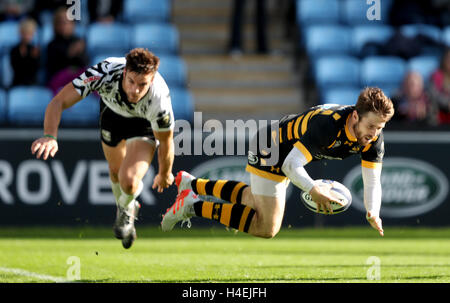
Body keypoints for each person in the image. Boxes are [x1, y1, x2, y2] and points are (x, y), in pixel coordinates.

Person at [162, 87, 394, 238]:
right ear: (355, 116)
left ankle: (192, 186)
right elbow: (290, 165)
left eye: (379, 128)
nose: (373, 134)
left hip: (287, 150)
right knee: (267, 227)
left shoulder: (373, 139)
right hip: (272, 146)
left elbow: (372, 180)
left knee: (252, 200)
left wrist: (373, 211)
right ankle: (191, 206)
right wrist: (313, 189)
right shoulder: (328, 126)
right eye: (371, 126)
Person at [31, 48, 175, 249]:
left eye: (142, 85)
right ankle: (127, 206)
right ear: (124, 73)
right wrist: (50, 136)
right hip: (112, 116)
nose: (135, 90)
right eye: (132, 81)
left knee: (129, 181)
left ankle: (126, 210)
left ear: (151, 81)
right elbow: (59, 101)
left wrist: (164, 172)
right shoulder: (104, 72)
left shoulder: (159, 98)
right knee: (115, 173)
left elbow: (166, 141)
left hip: (143, 123)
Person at [46, 7, 89, 95]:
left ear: (73, 24)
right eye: (61, 22)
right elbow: (53, 68)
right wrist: (69, 53)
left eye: (68, 22)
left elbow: (84, 63)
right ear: (56, 25)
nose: (65, 25)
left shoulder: (78, 41)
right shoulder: (52, 44)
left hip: (77, 75)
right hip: (60, 77)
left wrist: (79, 53)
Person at [10, 18, 40, 86]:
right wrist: (22, 56)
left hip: (32, 84)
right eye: (24, 33)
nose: (26, 36)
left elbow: (35, 70)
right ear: (20, 33)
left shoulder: (35, 50)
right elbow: (16, 69)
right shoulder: (14, 50)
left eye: (29, 34)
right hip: (17, 83)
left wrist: (34, 58)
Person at [429, 48, 450, 124]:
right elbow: (433, 94)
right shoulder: (436, 75)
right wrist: (447, 103)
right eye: (448, 58)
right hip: (440, 111)